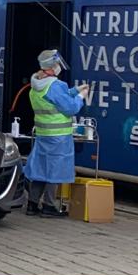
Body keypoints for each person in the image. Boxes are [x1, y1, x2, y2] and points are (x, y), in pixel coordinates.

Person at [22, 50, 87, 217]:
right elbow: (70, 108)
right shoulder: (55, 85)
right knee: (54, 171)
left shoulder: (36, 84)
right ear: (51, 67)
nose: (59, 67)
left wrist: (73, 91)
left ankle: (32, 204)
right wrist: (80, 96)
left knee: (40, 168)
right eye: (57, 65)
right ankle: (50, 206)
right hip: (59, 136)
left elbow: (55, 100)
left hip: (44, 134)